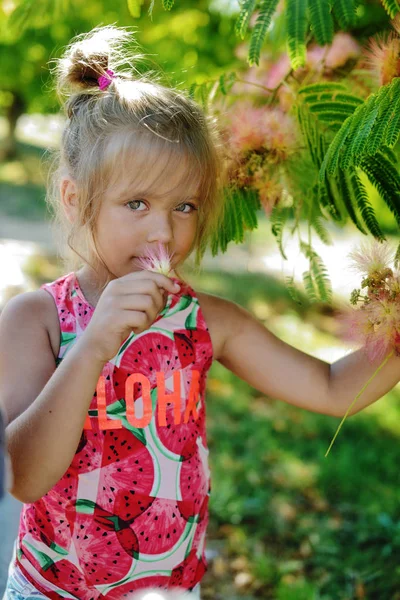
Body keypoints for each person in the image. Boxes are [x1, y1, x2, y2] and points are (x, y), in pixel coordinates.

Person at [1, 24, 400, 600]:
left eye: (184, 205)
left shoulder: (207, 320)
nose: (163, 229)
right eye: (136, 203)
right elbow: (25, 477)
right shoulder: (35, 319)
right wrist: (90, 348)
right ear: (74, 198)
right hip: (51, 591)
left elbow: (333, 388)